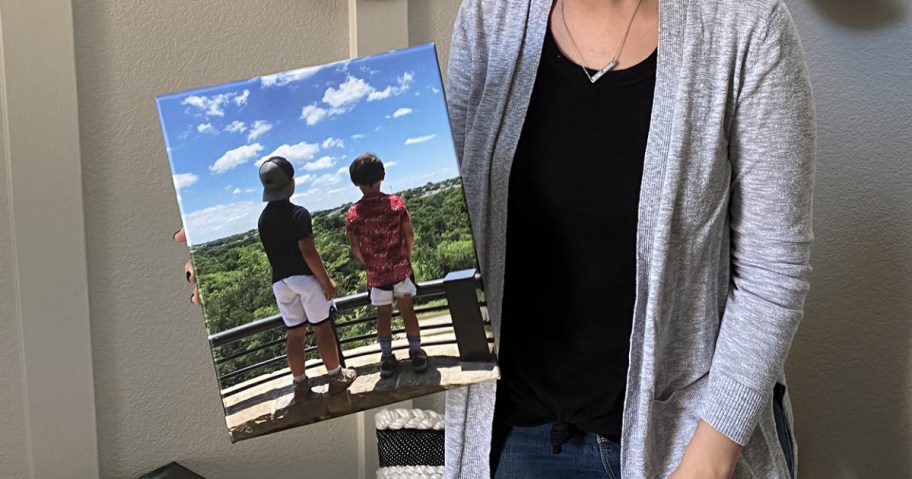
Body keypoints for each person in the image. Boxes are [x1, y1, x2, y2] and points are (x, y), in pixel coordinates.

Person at [443, 0, 815, 478]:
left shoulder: (747, 24)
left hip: (684, 444)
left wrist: (711, 457)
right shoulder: (489, 15)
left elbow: (773, 270)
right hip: (516, 438)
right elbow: (462, 221)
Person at [256, 156, 357, 400]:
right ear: (291, 183)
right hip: (304, 278)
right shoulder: (298, 214)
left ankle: (300, 386)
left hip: (280, 283)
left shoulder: (263, 219)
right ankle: (335, 377)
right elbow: (309, 252)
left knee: (295, 332)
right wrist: (326, 281)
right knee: (322, 328)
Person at [344, 153, 429, 378]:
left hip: (377, 275)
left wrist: (369, 262)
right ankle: (416, 353)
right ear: (383, 175)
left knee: (383, 315)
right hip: (401, 269)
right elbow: (409, 234)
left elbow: (354, 247)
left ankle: (387, 358)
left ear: (355, 183)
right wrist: (405, 256)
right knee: (407, 311)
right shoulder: (396, 203)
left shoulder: (353, 213)